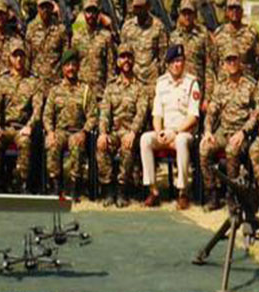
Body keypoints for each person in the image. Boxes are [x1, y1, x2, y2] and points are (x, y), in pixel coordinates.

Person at [141, 43, 201, 208]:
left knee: (181, 141)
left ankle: (182, 192)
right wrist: (159, 132)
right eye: (174, 61)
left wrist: (175, 132)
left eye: (180, 61)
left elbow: (193, 116)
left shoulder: (191, 83)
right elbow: (157, 114)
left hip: (184, 132)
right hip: (166, 132)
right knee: (145, 139)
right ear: (168, 63)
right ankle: (153, 190)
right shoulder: (161, 83)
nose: (177, 64)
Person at [200, 45, 258, 210]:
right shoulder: (221, 86)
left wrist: (243, 132)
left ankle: (233, 195)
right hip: (223, 131)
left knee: (232, 150)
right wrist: (208, 131)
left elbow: (257, 113)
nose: (232, 63)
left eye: (235, 60)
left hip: (241, 132)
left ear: (240, 62)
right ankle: (212, 193)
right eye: (228, 60)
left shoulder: (250, 85)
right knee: (204, 148)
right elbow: (211, 112)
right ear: (224, 64)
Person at [96, 45, 148, 206]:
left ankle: (122, 189)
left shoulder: (140, 87)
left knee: (127, 147)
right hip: (114, 132)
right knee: (101, 146)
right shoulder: (111, 87)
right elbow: (104, 113)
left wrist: (133, 132)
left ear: (133, 60)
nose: (126, 60)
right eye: (122, 57)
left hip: (131, 133)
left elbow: (142, 113)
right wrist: (103, 133)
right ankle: (108, 188)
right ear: (118, 61)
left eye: (129, 57)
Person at [0, 40, 42, 192]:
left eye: (21, 56)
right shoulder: (2, 80)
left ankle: (21, 182)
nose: (19, 59)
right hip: (5, 127)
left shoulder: (33, 81)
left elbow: (38, 109)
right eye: (15, 56)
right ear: (10, 58)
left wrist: (29, 126)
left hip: (22, 129)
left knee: (25, 142)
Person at [44, 50, 96, 199]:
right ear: (62, 68)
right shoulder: (55, 91)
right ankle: (56, 186)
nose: (71, 68)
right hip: (60, 131)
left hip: (77, 131)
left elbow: (93, 116)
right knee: (53, 144)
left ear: (78, 67)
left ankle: (75, 187)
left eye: (74, 65)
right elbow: (47, 115)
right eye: (67, 65)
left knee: (76, 143)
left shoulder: (85, 90)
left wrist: (84, 132)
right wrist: (50, 132)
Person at [208, 0, 259, 88]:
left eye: (237, 8)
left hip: (246, 88)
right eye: (231, 8)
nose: (234, 12)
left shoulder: (251, 33)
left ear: (242, 11)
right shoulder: (219, 34)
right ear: (226, 12)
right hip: (224, 88)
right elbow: (213, 62)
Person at [120, 0, 169, 90]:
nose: (138, 11)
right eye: (136, 7)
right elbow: (122, 54)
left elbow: (163, 57)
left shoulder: (158, 27)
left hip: (152, 81)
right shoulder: (127, 27)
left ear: (147, 7)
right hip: (132, 80)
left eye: (141, 7)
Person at [25, 0, 70, 85]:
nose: (45, 10)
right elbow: (28, 56)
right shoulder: (31, 28)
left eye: (48, 6)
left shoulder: (61, 29)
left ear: (52, 7)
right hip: (35, 81)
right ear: (37, 8)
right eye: (42, 7)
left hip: (55, 82)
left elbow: (65, 57)